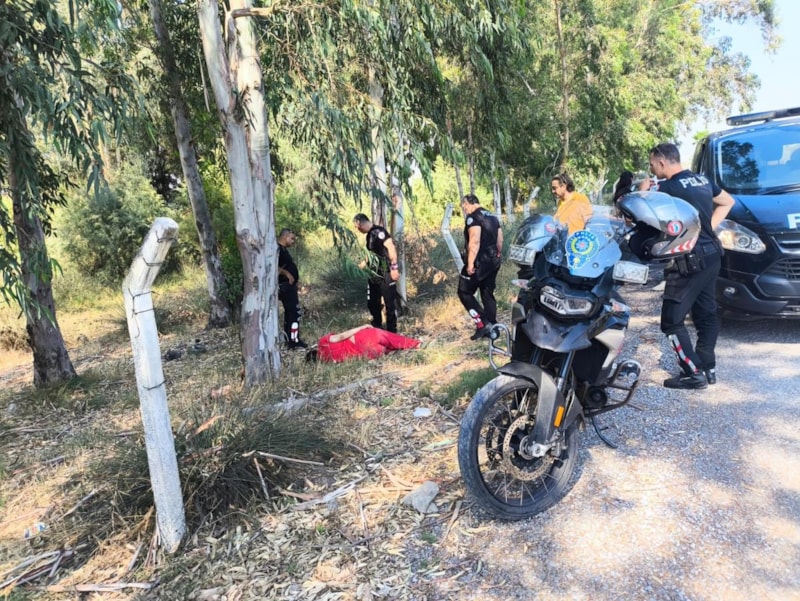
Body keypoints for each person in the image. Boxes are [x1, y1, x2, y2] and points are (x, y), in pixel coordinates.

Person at [639, 142, 735, 389]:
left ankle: (692, 372)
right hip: (712, 254)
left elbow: (640, 213)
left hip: (689, 260)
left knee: (671, 321)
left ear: (662, 162)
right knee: (706, 312)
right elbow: (727, 202)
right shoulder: (702, 180)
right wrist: (707, 227)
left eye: (652, 164)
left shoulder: (666, 188)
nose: (652, 169)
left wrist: (643, 191)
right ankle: (708, 367)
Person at [458, 194, 503, 340]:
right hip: (493, 259)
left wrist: (470, 263)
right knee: (487, 292)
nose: (464, 209)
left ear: (468, 203)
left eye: (463, 206)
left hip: (480, 261)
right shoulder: (492, 216)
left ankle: (483, 323)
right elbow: (500, 239)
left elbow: (474, 241)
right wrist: (498, 253)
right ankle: (493, 327)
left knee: (464, 291)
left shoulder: (473, 218)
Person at [353, 213, 399, 333]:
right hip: (374, 274)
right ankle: (377, 327)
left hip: (386, 272)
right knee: (372, 302)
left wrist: (394, 268)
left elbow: (391, 247)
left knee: (389, 303)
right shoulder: (369, 235)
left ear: (359, 223)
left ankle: (392, 331)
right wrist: (364, 263)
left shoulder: (379, 232)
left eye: (356, 227)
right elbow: (372, 254)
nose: (357, 230)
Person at [306, 325, 420, 363]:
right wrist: (362, 327)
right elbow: (341, 336)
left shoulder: (329, 361)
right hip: (364, 339)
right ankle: (416, 344)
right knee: (392, 339)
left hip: (369, 352)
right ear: (315, 350)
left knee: (387, 347)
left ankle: (390, 349)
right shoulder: (323, 343)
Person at [277, 228, 308, 349]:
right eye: (292, 238)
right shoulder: (277, 249)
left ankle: (289, 339)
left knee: (290, 313)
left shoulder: (284, 250)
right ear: (285, 237)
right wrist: (286, 273)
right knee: (295, 312)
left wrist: (296, 283)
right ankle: (294, 341)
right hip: (284, 286)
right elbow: (272, 265)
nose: (293, 241)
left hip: (290, 286)